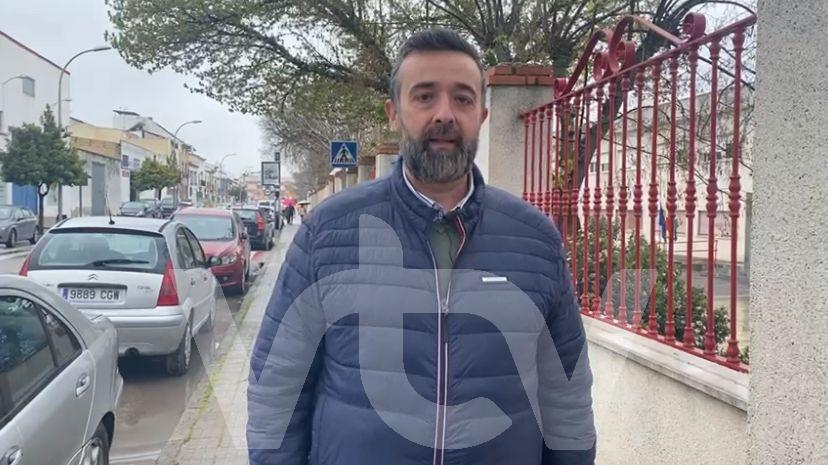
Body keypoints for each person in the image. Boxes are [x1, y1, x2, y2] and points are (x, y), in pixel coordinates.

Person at [248, 28, 596, 465]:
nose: (444, 114)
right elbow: (278, 383)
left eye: (463, 98)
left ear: (483, 115)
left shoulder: (535, 239)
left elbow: (567, 396)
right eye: (425, 97)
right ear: (394, 113)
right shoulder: (328, 234)